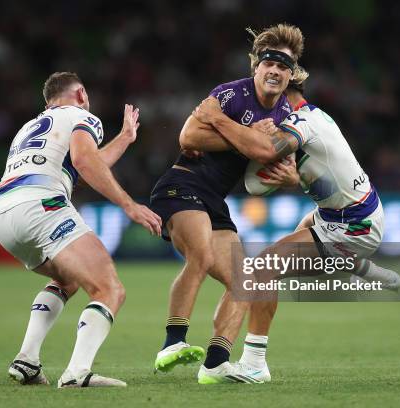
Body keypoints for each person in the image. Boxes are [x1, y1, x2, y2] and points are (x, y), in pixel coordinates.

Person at [192, 72, 400, 382]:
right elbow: (324, 174)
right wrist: (295, 180)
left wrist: (222, 122)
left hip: (352, 225)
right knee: (299, 232)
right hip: (345, 213)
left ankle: (254, 364)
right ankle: (365, 268)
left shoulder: (301, 124)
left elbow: (263, 153)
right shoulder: (316, 116)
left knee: (263, 267)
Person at [149, 24, 303, 384]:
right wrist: (242, 133)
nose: (276, 71)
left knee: (246, 281)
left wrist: (225, 129)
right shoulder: (230, 95)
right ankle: (173, 342)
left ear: (291, 74)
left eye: (285, 66)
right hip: (182, 184)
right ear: (257, 67)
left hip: (215, 200)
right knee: (200, 255)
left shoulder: (287, 117)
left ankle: (216, 363)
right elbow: (188, 136)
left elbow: (273, 155)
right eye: (270, 63)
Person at [0, 72, 162, 388]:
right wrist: (129, 205)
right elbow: (84, 160)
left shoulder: (30, 127)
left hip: (2, 215)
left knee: (68, 279)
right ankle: (77, 372)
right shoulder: (82, 116)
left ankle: (27, 360)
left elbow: (82, 168)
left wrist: (124, 137)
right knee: (109, 288)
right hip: (43, 206)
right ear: (80, 93)